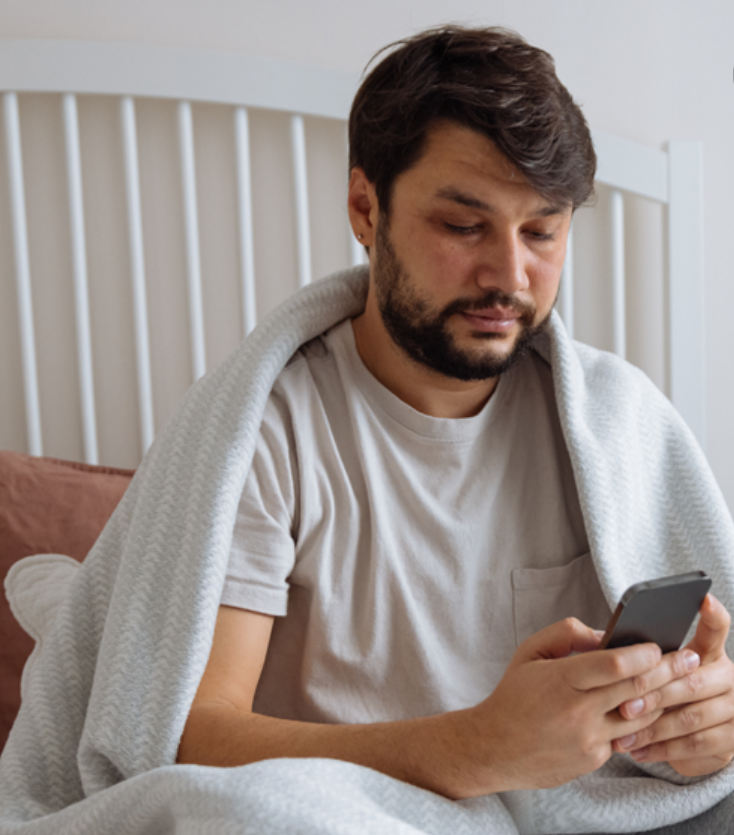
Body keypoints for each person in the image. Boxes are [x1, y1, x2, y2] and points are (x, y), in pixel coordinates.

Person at [177, 25, 734, 807]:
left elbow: (708, 685)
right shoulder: (267, 431)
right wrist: (473, 748)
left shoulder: (621, 427)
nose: (509, 274)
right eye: (463, 225)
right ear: (365, 208)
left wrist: (708, 719)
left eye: (541, 230)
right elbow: (193, 735)